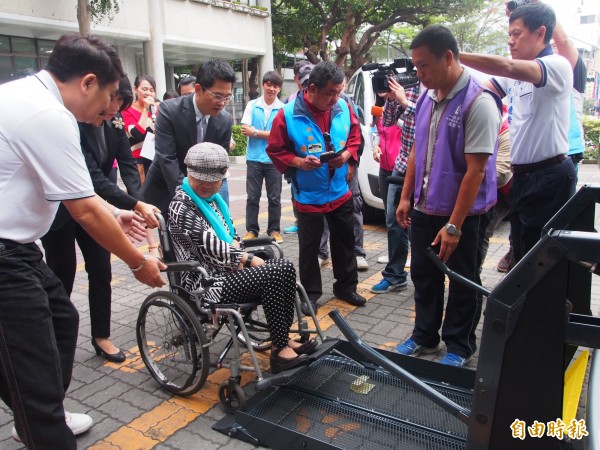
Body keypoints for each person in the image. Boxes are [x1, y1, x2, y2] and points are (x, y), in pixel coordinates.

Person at [0, 34, 165, 450]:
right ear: (88, 82)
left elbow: (82, 196)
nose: (108, 111)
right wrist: (138, 262)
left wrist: (117, 212)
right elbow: (85, 210)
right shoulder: (47, 114)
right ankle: (39, 418)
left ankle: (36, 411)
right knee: (33, 368)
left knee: (62, 319)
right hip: (4, 255)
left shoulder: (25, 97)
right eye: (109, 97)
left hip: (17, 249)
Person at [395, 25, 502, 368]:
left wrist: (454, 226)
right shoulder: (427, 95)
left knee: (462, 280)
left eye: (424, 65)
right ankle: (424, 336)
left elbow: (476, 171)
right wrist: (405, 196)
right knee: (424, 276)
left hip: (465, 216)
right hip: (426, 207)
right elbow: (416, 150)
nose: (419, 73)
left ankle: (459, 345)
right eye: (416, 66)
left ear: (449, 57)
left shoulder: (479, 102)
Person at [168, 142, 316, 373]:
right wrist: (246, 260)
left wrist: (242, 254)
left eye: (213, 179)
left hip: (229, 273)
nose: (207, 184)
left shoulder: (215, 202)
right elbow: (209, 245)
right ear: (188, 172)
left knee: (284, 267)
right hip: (205, 283)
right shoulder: (180, 206)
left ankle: (283, 339)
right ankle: (279, 349)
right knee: (273, 271)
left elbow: (232, 235)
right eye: (201, 178)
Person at [41, 76, 160, 364]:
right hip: (63, 212)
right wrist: (132, 204)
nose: (112, 113)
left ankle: (101, 336)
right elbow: (91, 177)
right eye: (110, 106)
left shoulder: (114, 121)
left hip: (103, 205)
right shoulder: (74, 121)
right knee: (62, 274)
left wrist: (139, 200)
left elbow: (127, 165)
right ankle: (54, 341)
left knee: (100, 270)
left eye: (117, 107)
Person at [460, 2, 576, 264]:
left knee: (543, 260)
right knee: (522, 251)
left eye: (517, 34)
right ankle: (529, 305)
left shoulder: (556, 64)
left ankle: (547, 305)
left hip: (549, 176)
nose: (511, 42)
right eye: (509, 35)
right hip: (521, 177)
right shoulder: (517, 70)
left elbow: (507, 68)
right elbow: (481, 90)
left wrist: (454, 54)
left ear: (540, 32)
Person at [267, 61, 367, 313]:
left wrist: (346, 157)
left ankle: (346, 287)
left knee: (345, 242)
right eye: (330, 93)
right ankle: (310, 293)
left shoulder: (344, 106)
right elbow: (275, 150)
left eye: (339, 91)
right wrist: (299, 162)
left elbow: (355, 137)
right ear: (311, 88)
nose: (336, 98)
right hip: (309, 193)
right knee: (310, 248)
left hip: (340, 190)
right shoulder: (287, 114)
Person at [143, 59, 235, 214]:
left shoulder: (224, 120)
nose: (222, 103)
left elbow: (218, 165)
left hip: (205, 194)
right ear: (198, 89)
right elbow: (167, 159)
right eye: (217, 96)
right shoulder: (169, 111)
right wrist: (189, 200)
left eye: (227, 97)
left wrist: (206, 199)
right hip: (168, 188)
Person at [371, 80, 420, 294]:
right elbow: (388, 120)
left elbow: (429, 125)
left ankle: (426, 275)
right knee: (394, 221)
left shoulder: (435, 89)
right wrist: (391, 98)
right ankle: (395, 275)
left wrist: (406, 103)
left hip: (429, 168)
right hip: (401, 166)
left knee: (425, 224)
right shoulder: (405, 89)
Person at [241, 71, 285, 243]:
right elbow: (245, 129)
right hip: (254, 159)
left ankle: (274, 230)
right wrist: (268, 134)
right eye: (269, 85)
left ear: (279, 89)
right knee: (252, 197)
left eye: (275, 86)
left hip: (274, 159)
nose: (271, 89)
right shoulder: (252, 105)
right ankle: (252, 230)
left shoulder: (282, 109)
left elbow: (281, 135)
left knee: (275, 198)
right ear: (263, 85)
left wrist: (256, 132)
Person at [283, 61, 314, 234]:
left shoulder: (337, 102)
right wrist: (296, 161)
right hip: (298, 164)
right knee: (297, 194)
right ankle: (299, 221)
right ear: (296, 79)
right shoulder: (290, 102)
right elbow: (279, 144)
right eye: (304, 82)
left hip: (321, 167)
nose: (308, 88)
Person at [121, 74, 157, 181]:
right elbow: (136, 133)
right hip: (138, 161)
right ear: (135, 89)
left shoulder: (159, 108)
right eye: (144, 89)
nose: (148, 93)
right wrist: (146, 110)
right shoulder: (127, 109)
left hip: (156, 160)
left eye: (152, 90)